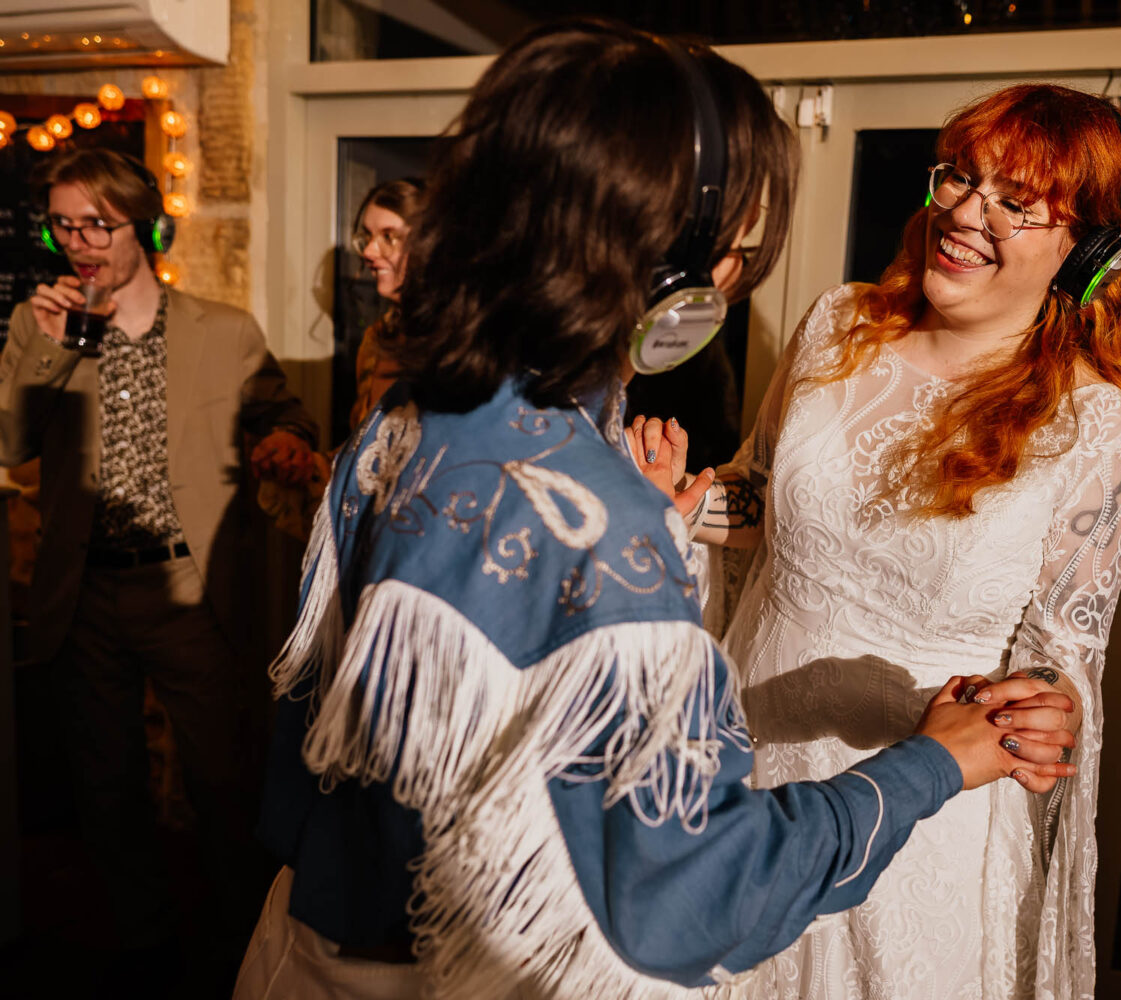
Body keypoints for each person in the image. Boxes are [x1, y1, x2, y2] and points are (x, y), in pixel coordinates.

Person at [235, 22, 1078, 1000]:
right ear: (675, 275)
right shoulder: (593, 519)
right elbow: (697, 898)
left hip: (303, 937)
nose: (737, 271)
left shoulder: (413, 413)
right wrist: (933, 762)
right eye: (736, 247)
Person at [674, 83, 1121, 998]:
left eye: (1015, 202)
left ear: (1085, 253)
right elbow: (762, 502)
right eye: (962, 178)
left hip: (919, 816)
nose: (967, 213)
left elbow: (1062, 655)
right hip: (745, 754)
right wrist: (679, 502)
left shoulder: (1093, 426)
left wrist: (1046, 708)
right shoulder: (838, 326)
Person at [0, 149, 320, 972]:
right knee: (105, 782)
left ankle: (240, 945)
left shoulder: (224, 328)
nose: (79, 242)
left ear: (142, 224)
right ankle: (143, 943)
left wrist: (283, 442)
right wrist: (48, 348)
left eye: (97, 224)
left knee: (224, 776)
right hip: (84, 589)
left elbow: (283, 415)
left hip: (188, 585)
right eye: (63, 226)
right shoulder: (39, 324)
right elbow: (10, 442)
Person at [254, 177, 423, 539]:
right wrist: (300, 462)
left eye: (389, 237)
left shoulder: (465, 345)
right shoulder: (378, 340)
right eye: (367, 237)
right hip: (371, 543)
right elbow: (365, 461)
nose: (370, 251)